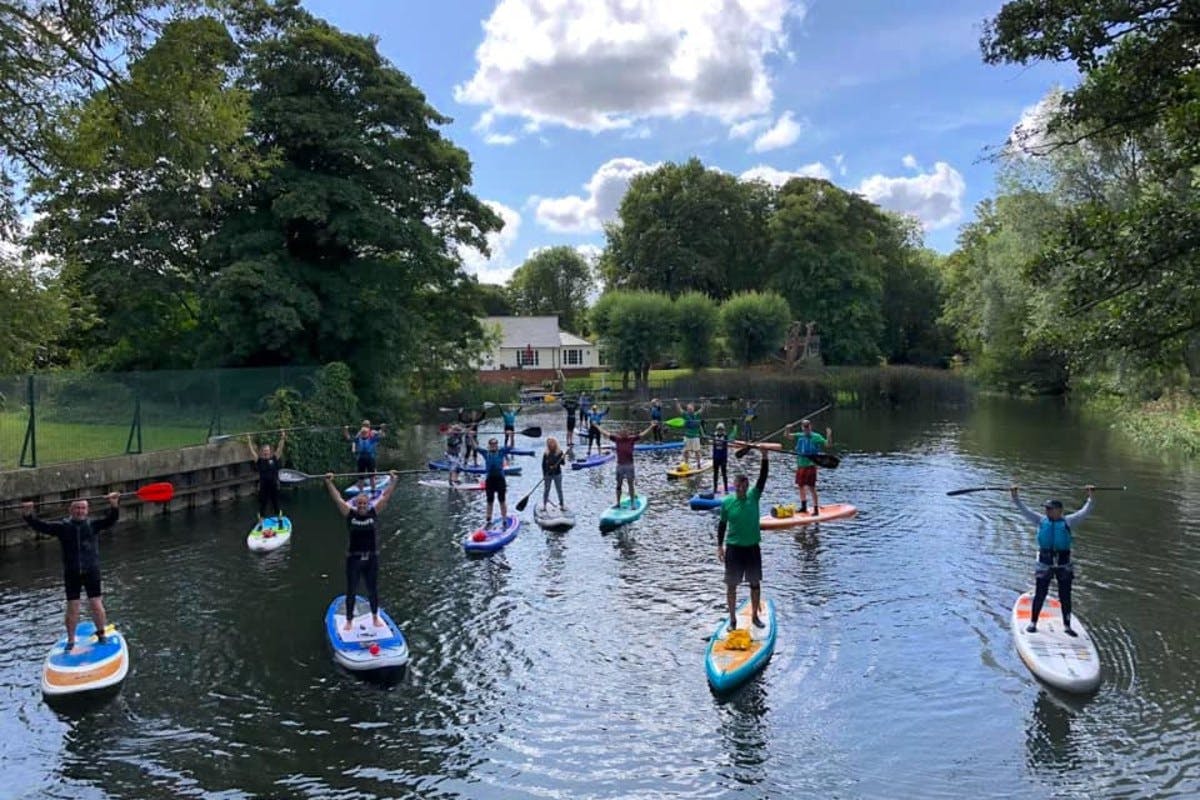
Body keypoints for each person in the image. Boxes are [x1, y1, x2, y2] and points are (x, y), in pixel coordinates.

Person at [21, 492, 122, 650]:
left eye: (83, 508)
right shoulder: (63, 527)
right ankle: (71, 640)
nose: (80, 511)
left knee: (96, 603)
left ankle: (101, 634)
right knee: (73, 605)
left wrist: (114, 504)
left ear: (87, 510)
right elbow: (41, 526)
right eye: (77, 508)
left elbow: (111, 520)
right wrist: (28, 514)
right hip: (72, 572)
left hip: (91, 570)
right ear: (71, 510)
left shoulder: (93, 525)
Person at [1011, 485, 1095, 636]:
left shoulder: (1069, 522)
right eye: (1046, 509)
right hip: (1044, 562)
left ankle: (1067, 626)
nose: (1047, 511)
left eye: (1050, 509)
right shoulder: (1041, 520)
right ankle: (1033, 623)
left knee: (1065, 595)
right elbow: (1024, 510)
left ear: (1059, 511)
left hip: (1063, 563)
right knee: (1040, 593)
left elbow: (1086, 511)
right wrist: (1015, 496)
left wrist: (1090, 496)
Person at [324, 470, 399, 631]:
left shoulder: (374, 512)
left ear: (368, 504)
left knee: (372, 589)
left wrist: (393, 481)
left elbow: (386, 497)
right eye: (360, 504)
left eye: (364, 504)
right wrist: (329, 482)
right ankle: (349, 620)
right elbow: (337, 499)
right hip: (354, 559)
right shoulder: (350, 515)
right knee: (351, 589)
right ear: (356, 505)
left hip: (371, 558)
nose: (362, 506)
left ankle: (374, 617)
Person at [717, 451, 769, 631]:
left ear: (747, 487)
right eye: (738, 486)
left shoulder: (754, 496)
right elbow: (722, 525)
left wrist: (765, 456)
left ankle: (754, 616)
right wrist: (719, 547)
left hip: (752, 548)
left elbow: (762, 479)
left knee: (755, 583)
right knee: (731, 586)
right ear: (734, 486)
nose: (741, 489)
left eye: (744, 486)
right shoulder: (727, 502)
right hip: (734, 549)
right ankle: (732, 620)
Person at [785, 419, 832, 516]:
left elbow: (828, 444)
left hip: (811, 465)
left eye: (807, 426)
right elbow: (787, 436)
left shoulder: (816, 437)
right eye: (804, 427)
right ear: (802, 427)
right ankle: (803, 507)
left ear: (811, 426)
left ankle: (816, 509)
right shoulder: (800, 435)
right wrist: (787, 429)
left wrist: (829, 435)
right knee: (800, 486)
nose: (806, 428)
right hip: (801, 465)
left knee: (811, 487)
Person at [602, 422, 654, 508]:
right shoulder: (617, 439)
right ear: (620, 433)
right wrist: (597, 427)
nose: (624, 434)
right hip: (620, 465)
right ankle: (618, 503)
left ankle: (633, 503)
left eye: (625, 432)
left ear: (628, 433)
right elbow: (605, 433)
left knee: (630, 484)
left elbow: (642, 434)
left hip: (629, 465)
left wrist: (651, 426)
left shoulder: (632, 439)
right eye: (622, 432)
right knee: (618, 484)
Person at [246, 431, 287, 522]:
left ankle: (279, 518)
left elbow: (280, 448)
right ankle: (261, 519)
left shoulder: (274, 458)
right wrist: (249, 440)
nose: (266, 452)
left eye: (267, 450)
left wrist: (283, 437)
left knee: (275, 502)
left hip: (274, 485)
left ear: (270, 451)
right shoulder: (259, 460)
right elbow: (251, 451)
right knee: (263, 503)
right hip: (264, 486)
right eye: (264, 451)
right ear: (262, 452)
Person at [344, 420, 386, 494]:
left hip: (370, 459)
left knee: (372, 477)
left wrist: (382, 429)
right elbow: (348, 438)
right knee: (361, 477)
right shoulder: (358, 437)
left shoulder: (372, 437)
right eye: (362, 433)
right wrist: (345, 430)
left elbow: (382, 435)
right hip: (361, 459)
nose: (363, 434)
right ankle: (361, 493)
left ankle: (373, 491)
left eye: (365, 433)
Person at [482, 438, 514, 527]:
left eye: (495, 444)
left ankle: (504, 519)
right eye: (492, 444)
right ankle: (488, 519)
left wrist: (511, 435)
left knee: (502, 500)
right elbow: (475, 447)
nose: (494, 446)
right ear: (489, 446)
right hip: (490, 480)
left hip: (500, 480)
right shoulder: (485, 453)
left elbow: (511, 446)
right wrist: (471, 436)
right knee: (490, 501)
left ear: (497, 445)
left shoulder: (501, 452)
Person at [676, 400, 709, 469]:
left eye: (690, 409)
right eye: (688, 409)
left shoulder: (697, 414)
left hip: (695, 437)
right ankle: (686, 463)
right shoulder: (685, 414)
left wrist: (703, 402)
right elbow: (679, 409)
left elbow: (702, 409)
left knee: (697, 451)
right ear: (687, 409)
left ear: (693, 409)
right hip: (687, 436)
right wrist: (677, 403)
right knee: (686, 451)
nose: (689, 410)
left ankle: (699, 464)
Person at [541, 437, 568, 511]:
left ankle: (562, 505)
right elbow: (543, 465)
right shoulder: (546, 453)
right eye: (549, 443)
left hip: (557, 474)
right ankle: (544, 505)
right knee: (546, 489)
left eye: (552, 442)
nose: (551, 444)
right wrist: (544, 475)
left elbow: (563, 463)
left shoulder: (559, 452)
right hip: (548, 474)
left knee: (559, 490)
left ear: (555, 443)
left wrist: (563, 458)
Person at [711, 422, 730, 494]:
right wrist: (702, 425)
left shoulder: (726, 437)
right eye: (719, 429)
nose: (720, 431)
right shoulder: (713, 436)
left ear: (723, 430)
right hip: (715, 458)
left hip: (723, 458)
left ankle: (726, 489)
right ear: (717, 430)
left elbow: (733, 434)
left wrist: (735, 425)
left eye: (721, 430)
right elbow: (703, 434)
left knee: (724, 474)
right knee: (715, 474)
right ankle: (715, 489)